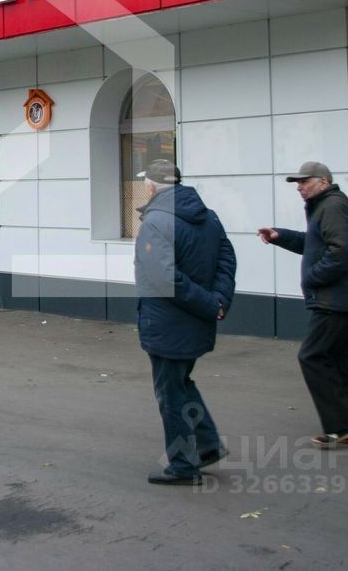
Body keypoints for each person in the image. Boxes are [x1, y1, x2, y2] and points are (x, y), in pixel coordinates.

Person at [134, 160, 237, 485]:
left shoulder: (156, 221)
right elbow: (227, 259)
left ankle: (183, 465)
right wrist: (218, 300)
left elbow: (164, 278)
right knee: (181, 383)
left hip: (167, 325)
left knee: (170, 394)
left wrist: (210, 303)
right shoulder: (209, 216)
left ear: (152, 187)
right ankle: (207, 444)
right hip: (194, 323)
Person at [258, 161, 348, 448]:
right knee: (344, 363)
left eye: (304, 182)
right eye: (297, 183)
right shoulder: (328, 205)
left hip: (335, 301)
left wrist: (312, 277)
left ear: (323, 182)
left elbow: (341, 252)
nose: (299, 187)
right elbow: (315, 244)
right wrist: (281, 236)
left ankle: (342, 425)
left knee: (312, 356)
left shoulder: (332, 206)